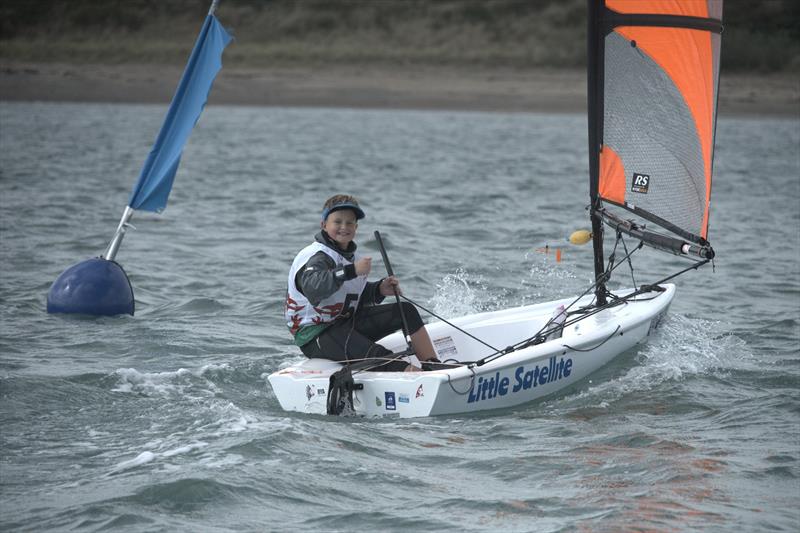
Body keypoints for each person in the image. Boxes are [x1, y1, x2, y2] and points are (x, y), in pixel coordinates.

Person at [285, 194, 440, 372]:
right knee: (379, 355)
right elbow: (314, 289)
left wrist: (379, 289)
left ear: (356, 227)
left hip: (345, 325)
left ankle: (434, 365)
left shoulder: (351, 258)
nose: (344, 227)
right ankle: (421, 380)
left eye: (350, 223)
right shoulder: (317, 256)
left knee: (405, 311)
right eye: (338, 222)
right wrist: (352, 271)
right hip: (316, 335)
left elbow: (350, 297)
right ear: (324, 225)